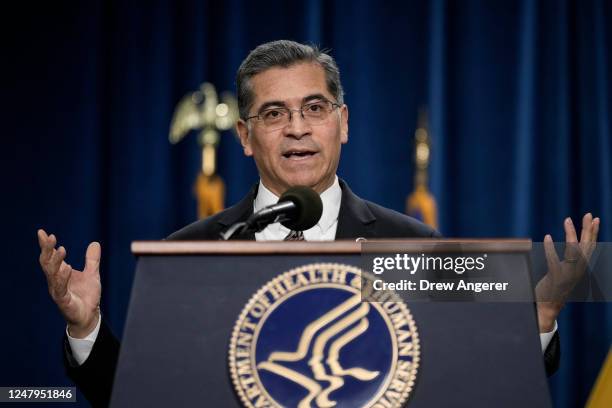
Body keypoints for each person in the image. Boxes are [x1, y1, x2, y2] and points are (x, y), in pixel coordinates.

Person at [37, 40, 600, 407]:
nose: (298, 129)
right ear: (243, 137)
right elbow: (144, 393)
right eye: (274, 114)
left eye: (315, 108)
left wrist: (540, 317)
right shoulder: (196, 249)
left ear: (343, 123)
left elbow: (477, 382)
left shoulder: (414, 243)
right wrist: (86, 330)